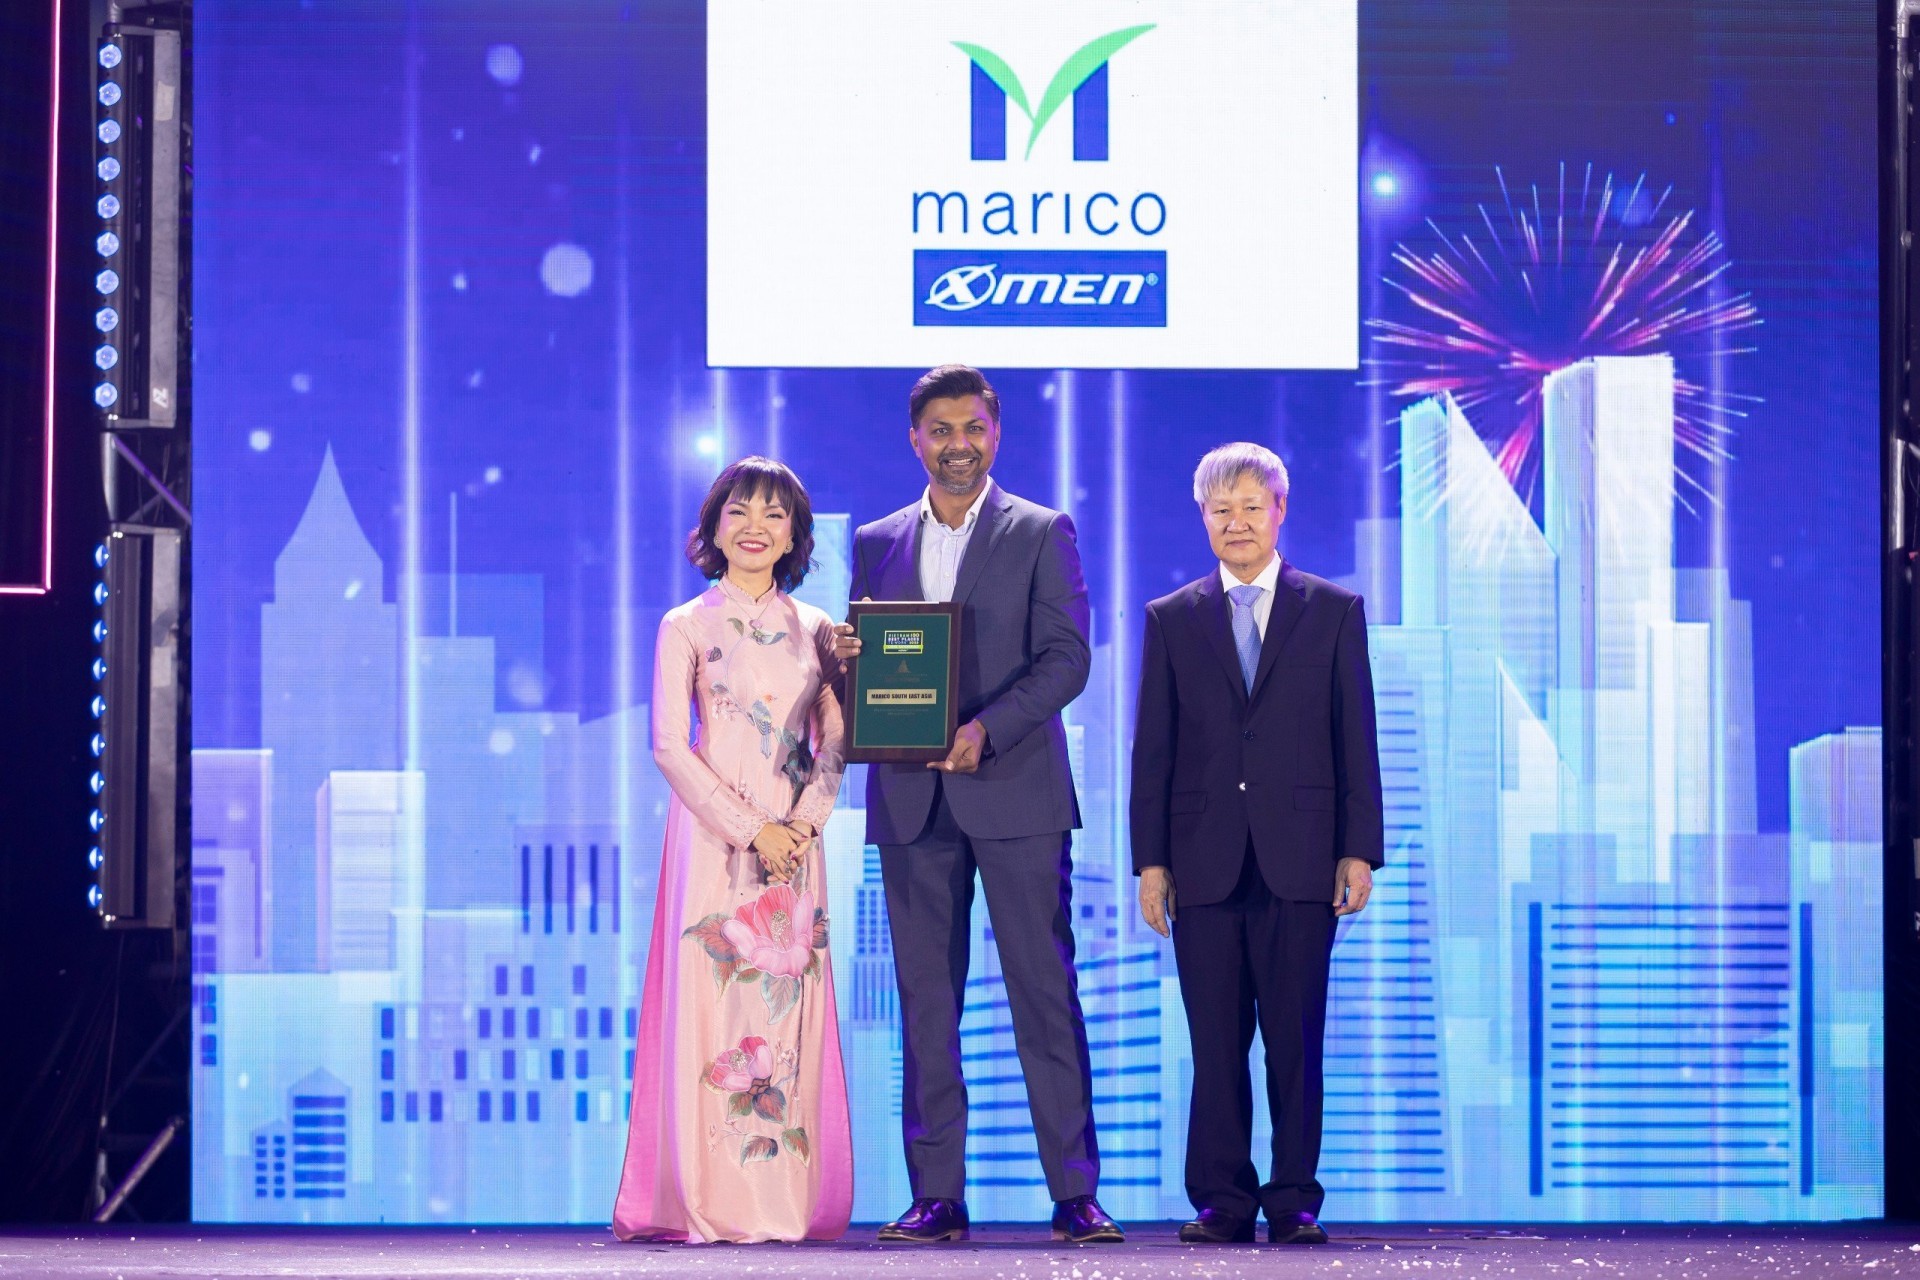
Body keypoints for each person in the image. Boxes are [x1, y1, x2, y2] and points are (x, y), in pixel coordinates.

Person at [832, 364, 1122, 1244]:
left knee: (1044, 993)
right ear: (914, 440)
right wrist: (848, 663)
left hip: (1017, 792)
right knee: (926, 1003)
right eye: (941, 431)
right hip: (911, 801)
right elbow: (879, 666)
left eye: (973, 429)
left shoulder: (1040, 529)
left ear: (995, 435)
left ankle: (1075, 1194)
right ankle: (937, 1196)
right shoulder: (877, 541)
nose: (958, 445)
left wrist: (987, 729)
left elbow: (1068, 658)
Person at [1129, 442, 1384, 1246]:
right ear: (1202, 518)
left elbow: (1355, 736)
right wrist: (1150, 863)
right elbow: (1153, 750)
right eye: (1221, 510)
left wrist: (1358, 849)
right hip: (1201, 861)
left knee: (1294, 1042)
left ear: (1280, 511)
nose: (1236, 522)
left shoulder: (1332, 610)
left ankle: (1294, 1199)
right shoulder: (1172, 617)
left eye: (1251, 507)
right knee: (1215, 1045)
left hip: (1302, 858)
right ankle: (1222, 1201)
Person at [613, 457, 852, 1244]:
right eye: (740, 511)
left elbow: (835, 744)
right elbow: (667, 746)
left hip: (795, 850)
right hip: (713, 843)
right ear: (714, 527)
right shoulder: (685, 624)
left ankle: (780, 1200)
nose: (756, 527)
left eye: (775, 514)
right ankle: (706, 1199)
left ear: (794, 535)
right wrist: (754, 830)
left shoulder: (820, 629)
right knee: (711, 1009)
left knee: (783, 1015)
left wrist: (803, 827)